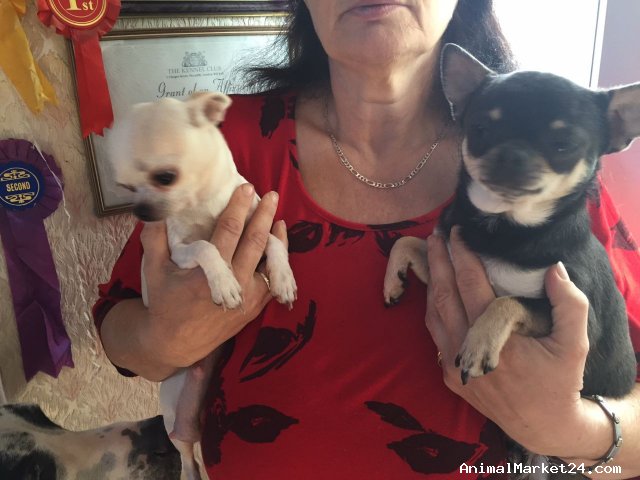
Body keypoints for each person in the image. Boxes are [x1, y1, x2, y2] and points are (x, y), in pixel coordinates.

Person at [94, 0, 640, 478]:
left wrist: (574, 430)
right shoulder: (217, 140)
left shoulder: (557, 176)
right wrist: (161, 340)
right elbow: (117, 326)